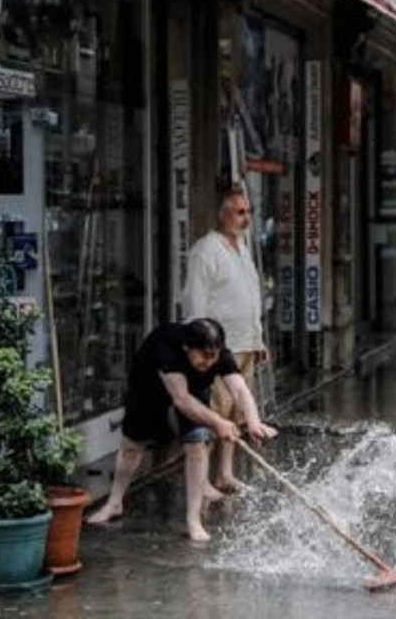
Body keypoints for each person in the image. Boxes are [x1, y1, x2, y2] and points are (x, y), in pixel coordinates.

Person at [85, 319, 277, 542]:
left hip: (193, 389)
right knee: (131, 447)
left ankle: (193, 520)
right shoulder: (165, 350)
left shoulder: (218, 353)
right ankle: (114, 502)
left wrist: (253, 421)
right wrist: (218, 423)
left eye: (214, 355)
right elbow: (181, 400)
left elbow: (239, 389)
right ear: (187, 348)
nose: (211, 361)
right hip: (149, 388)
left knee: (196, 446)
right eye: (204, 356)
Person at [183, 186, 267, 494]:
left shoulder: (243, 248)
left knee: (234, 414)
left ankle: (225, 474)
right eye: (239, 212)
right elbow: (195, 302)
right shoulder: (205, 251)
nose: (246, 219)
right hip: (217, 348)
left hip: (245, 343)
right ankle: (202, 481)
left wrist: (258, 340)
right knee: (213, 414)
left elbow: (250, 296)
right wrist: (200, 347)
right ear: (222, 214)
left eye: (248, 212)